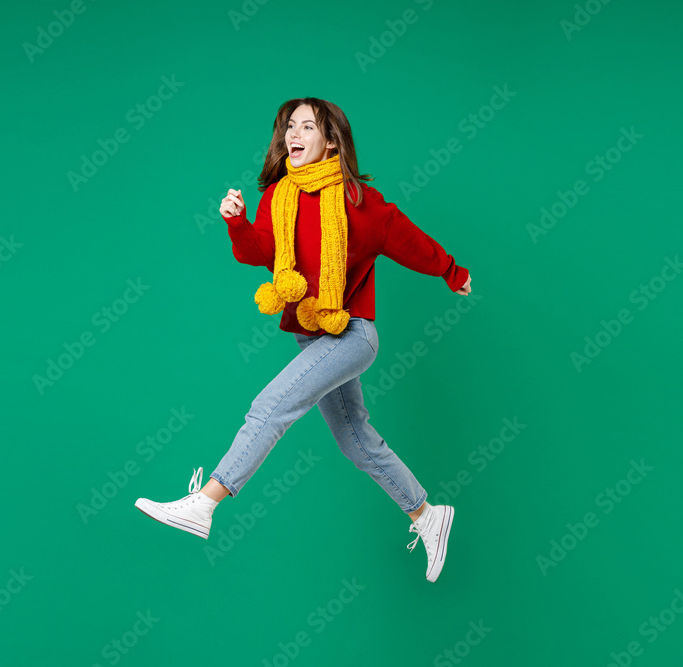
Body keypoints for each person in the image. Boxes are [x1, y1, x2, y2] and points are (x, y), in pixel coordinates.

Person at [135, 97, 472, 583]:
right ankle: (427, 515)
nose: (294, 133)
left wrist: (451, 271)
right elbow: (258, 254)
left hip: (353, 333)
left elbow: (408, 239)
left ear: (330, 139)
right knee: (357, 441)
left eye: (307, 126)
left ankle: (204, 503)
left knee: (269, 406)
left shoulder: (359, 202)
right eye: (289, 126)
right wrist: (236, 221)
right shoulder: (279, 196)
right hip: (310, 336)